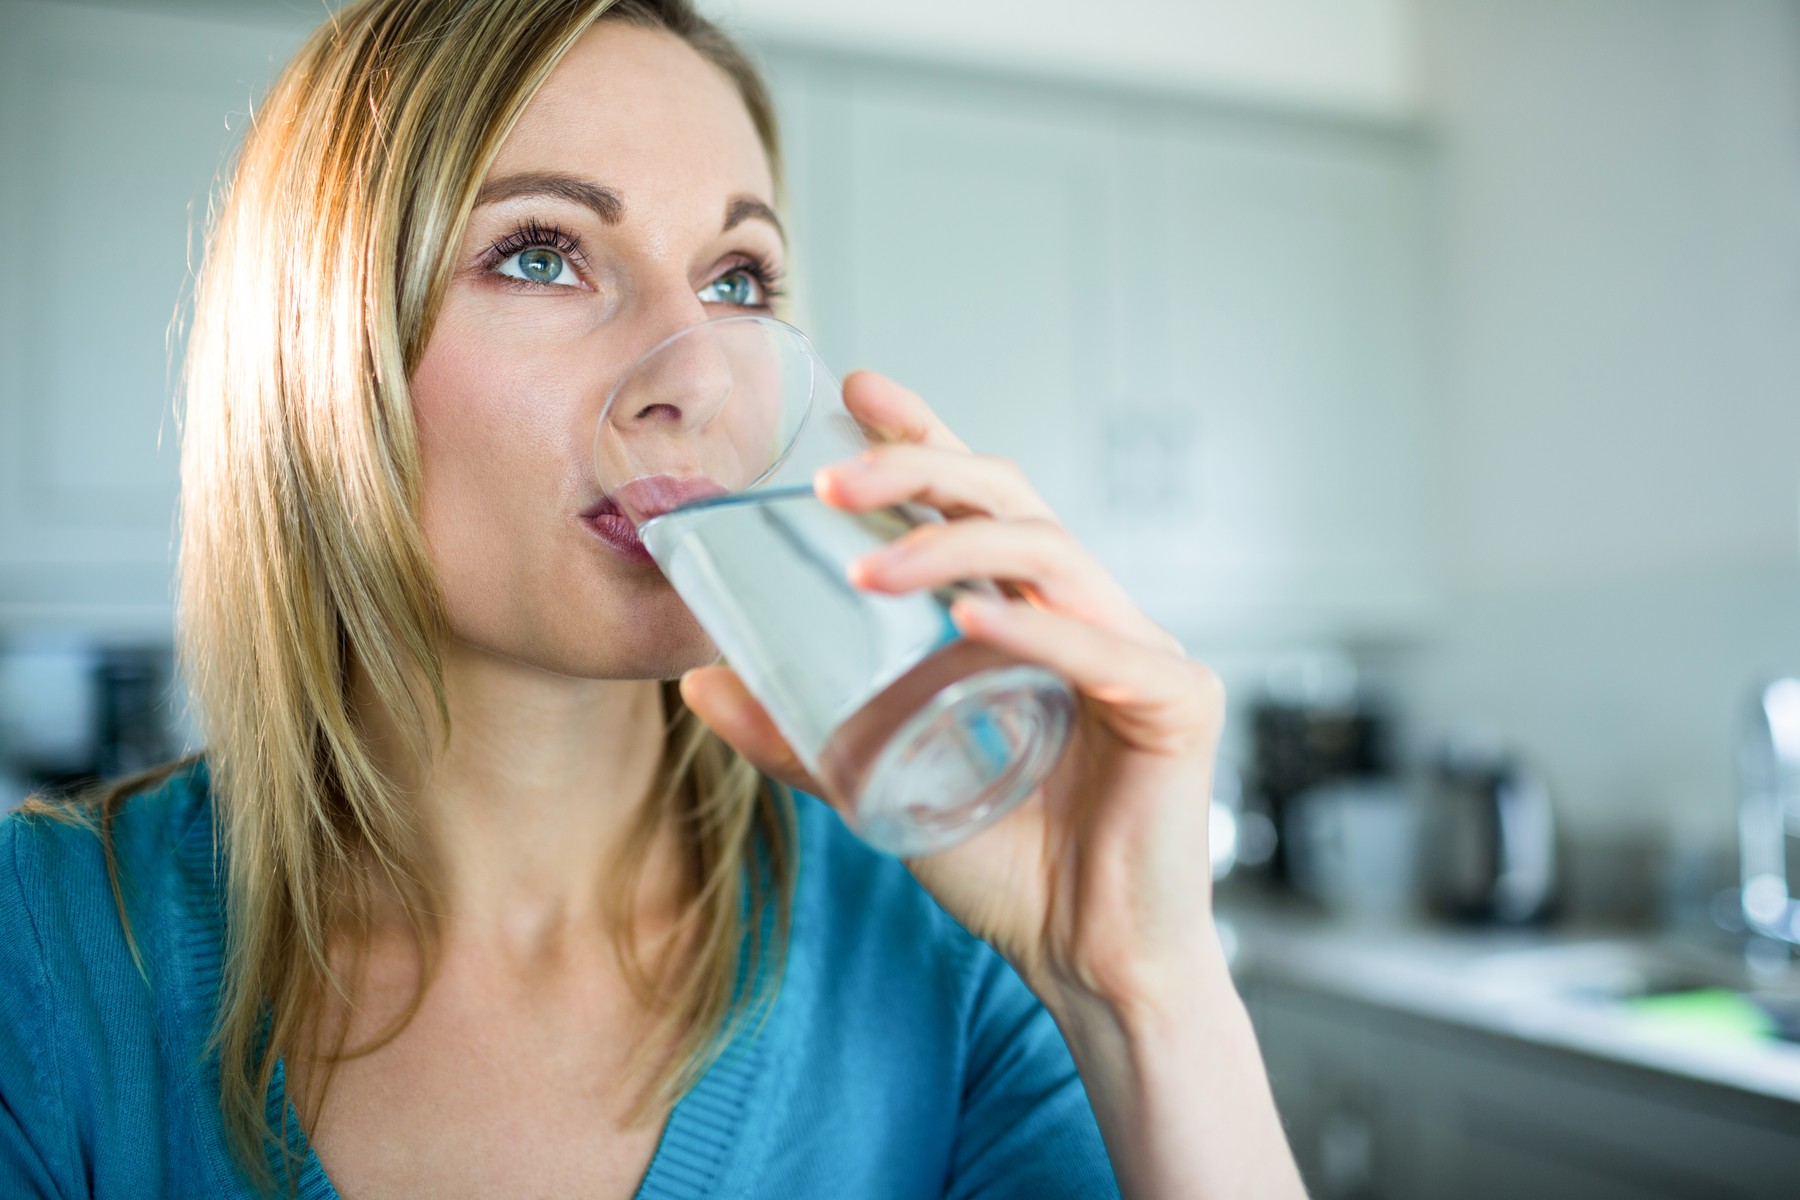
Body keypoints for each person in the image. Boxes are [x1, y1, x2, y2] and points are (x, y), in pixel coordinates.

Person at [0, 1, 1306, 1196]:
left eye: (736, 281)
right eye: (542, 254)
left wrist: (1145, 994)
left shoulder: (952, 948)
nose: (703, 380)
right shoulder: (42, 951)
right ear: (320, 356)